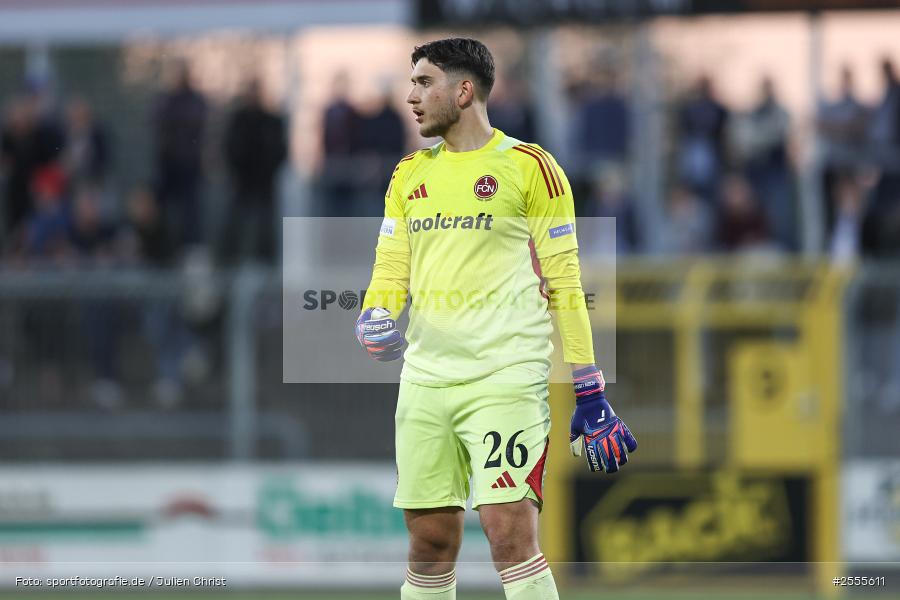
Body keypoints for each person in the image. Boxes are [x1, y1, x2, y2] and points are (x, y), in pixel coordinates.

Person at [355, 38, 637, 600]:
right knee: (430, 543)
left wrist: (588, 386)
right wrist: (374, 315)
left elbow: (564, 281)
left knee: (509, 534)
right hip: (425, 381)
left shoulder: (531, 168)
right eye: (411, 83)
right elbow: (391, 266)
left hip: (505, 379)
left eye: (424, 82)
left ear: (463, 91)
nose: (411, 96)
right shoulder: (409, 174)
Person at [220, 79, 287, 265]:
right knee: (234, 225)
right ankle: (228, 263)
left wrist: (268, 169)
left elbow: (280, 151)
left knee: (266, 228)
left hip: (264, 183)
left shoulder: (271, 121)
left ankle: (267, 265)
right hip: (242, 182)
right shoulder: (239, 120)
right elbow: (230, 148)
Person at [152, 62, 208, 248]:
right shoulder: (167, 99)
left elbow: (195, 125)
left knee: (190, 210)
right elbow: (159, 122)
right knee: (163, 208)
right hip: (169, 163)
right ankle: (162, 248)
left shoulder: (195, 100)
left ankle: (191, 248)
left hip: (189, 164)